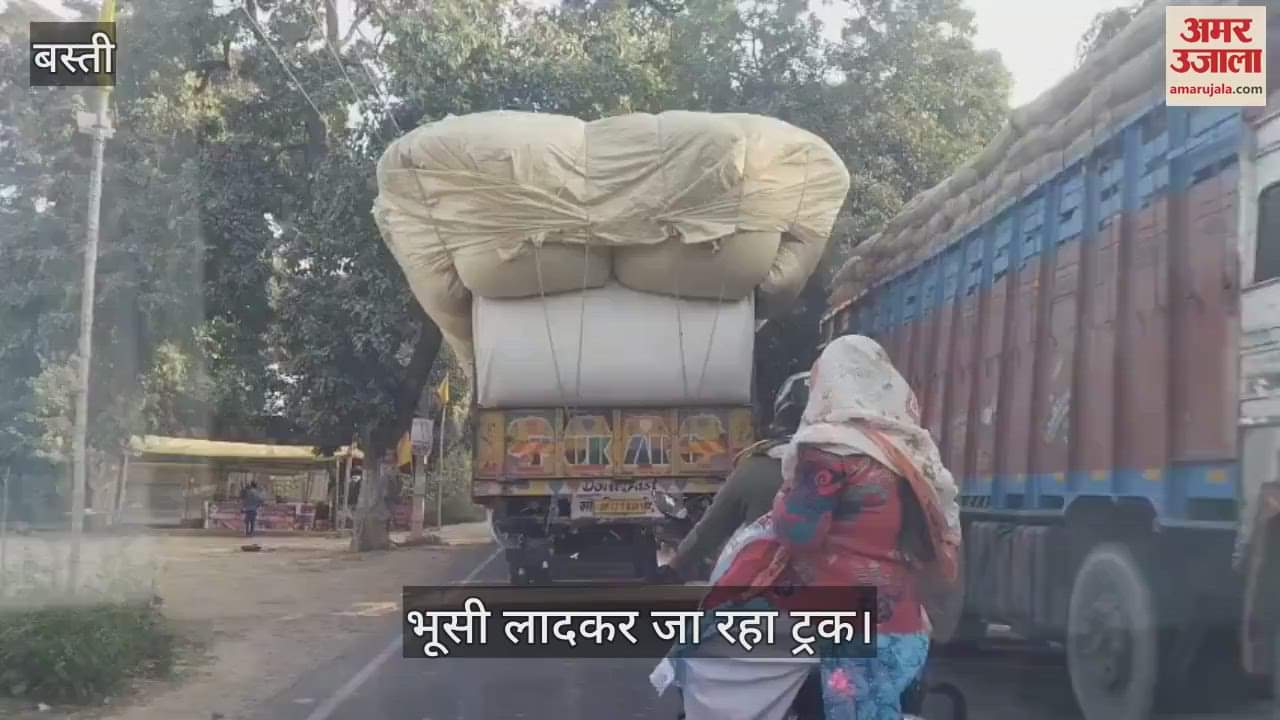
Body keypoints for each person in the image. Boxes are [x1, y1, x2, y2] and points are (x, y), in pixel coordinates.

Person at [652, 335, 961, 720]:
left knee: (706, 651)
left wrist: (784, 497)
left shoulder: (828, 450)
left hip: (832, 617)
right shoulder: (914, 455)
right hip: (904, 619)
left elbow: (799, 532)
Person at [655, 372, 809, 583]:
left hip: (769, 596)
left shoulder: (756, 469)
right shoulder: (864, 467)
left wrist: (673, 569)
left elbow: (708, 532)